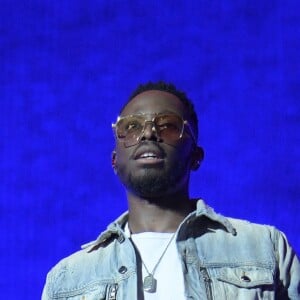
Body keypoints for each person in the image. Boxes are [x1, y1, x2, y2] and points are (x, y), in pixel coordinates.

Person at [42, 81, 300, 299]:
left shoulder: (265, 248)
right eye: (131, 127)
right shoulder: (69, 279)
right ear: (114, 161)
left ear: (196, 156)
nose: (149, 134)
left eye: (168, 125)